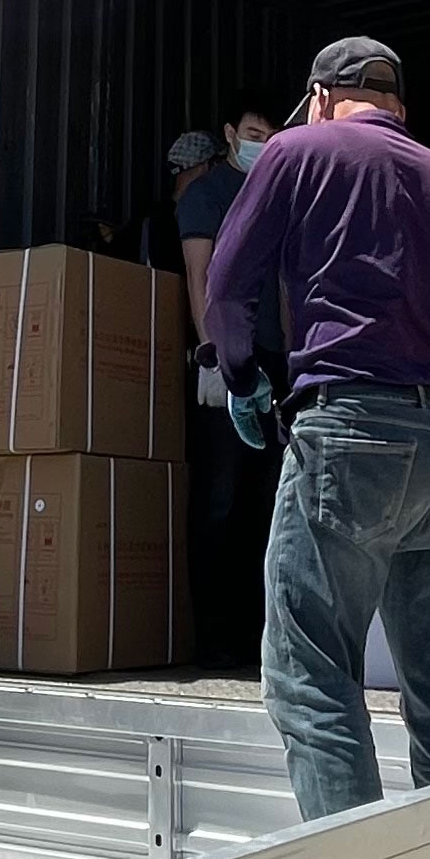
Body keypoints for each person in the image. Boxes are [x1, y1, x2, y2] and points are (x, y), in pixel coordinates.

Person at [203, 38, 430, 820]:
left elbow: (227, 288)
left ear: (320, 97)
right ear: (399, 105)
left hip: (350, 429)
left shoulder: (296, 152)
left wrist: (242, 376)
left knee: (312, 675)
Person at [171, 97, 281, 672]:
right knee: (222, 498)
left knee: (269, 501)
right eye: (254, 132)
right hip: (228, 358)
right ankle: (215, 641)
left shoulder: (277, 195)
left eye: (271, 135)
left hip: (276, 362)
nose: (262, 143)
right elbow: (199, 276)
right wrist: (211, 354)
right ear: (231, 134)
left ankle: (261, 635)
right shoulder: (207, 195)